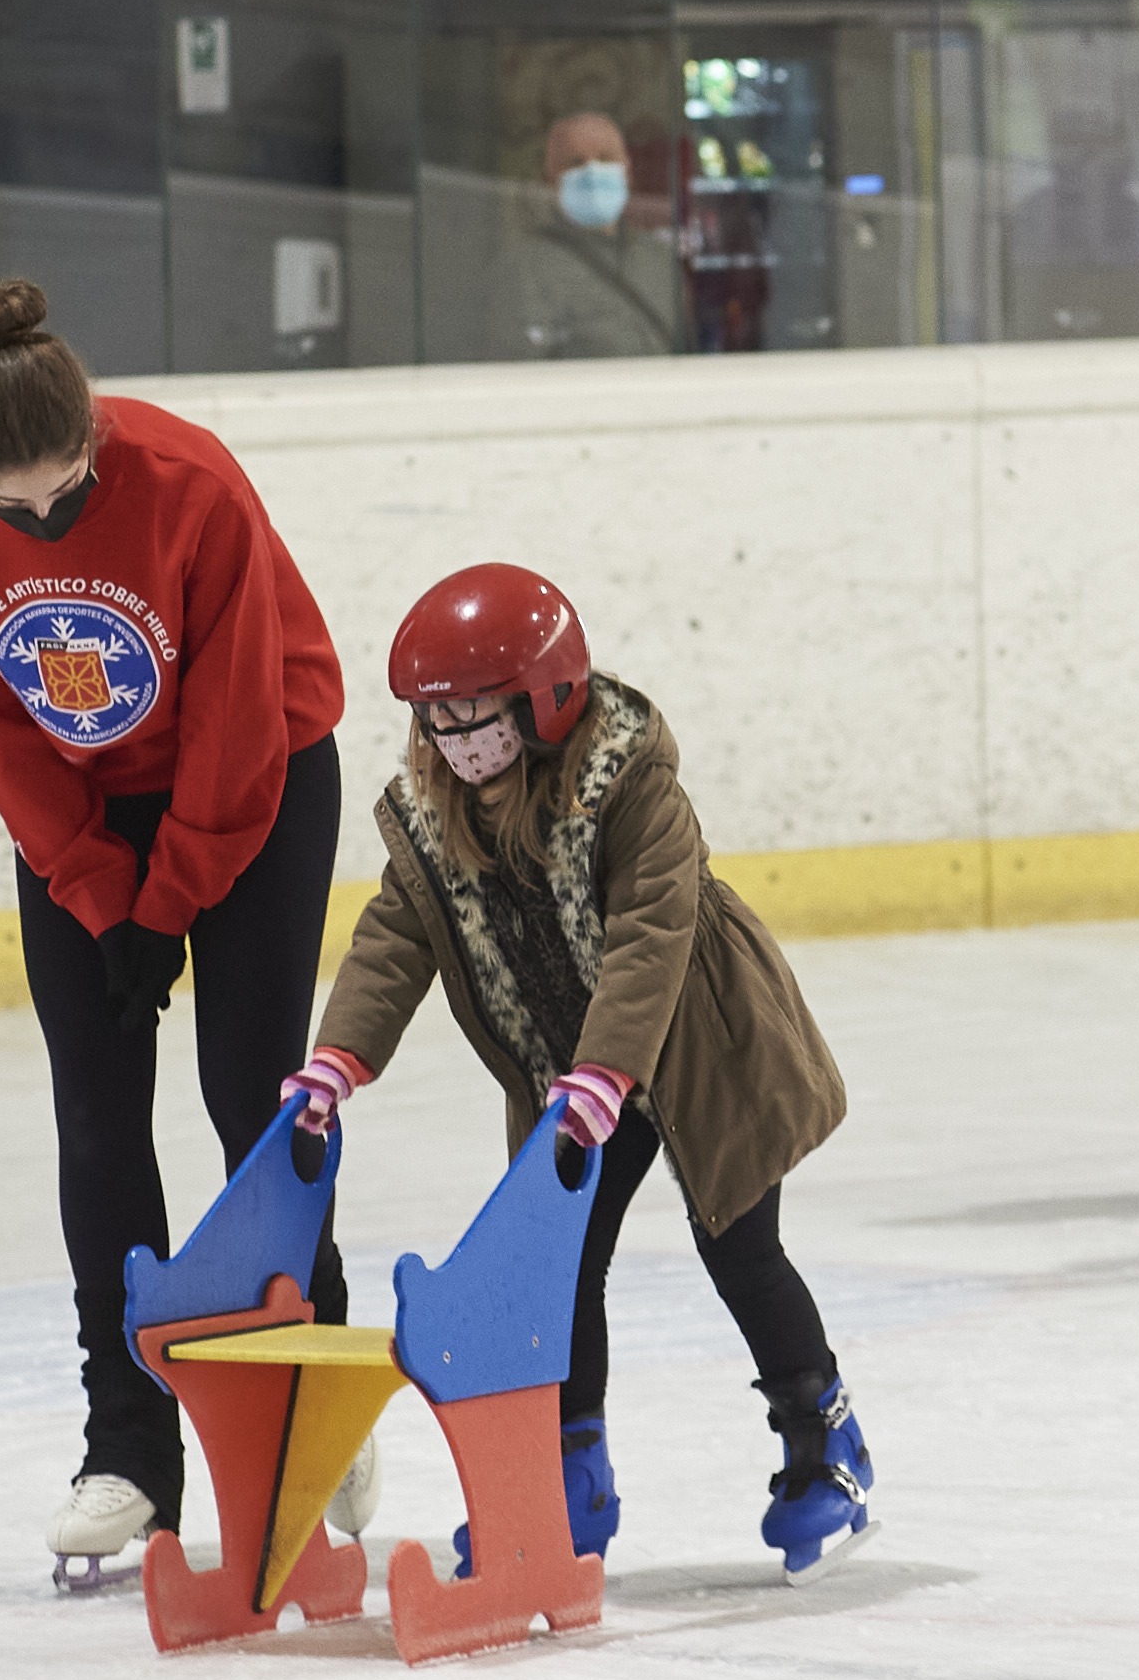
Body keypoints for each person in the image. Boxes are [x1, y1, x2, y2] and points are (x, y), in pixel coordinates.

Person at [0, 279, 358, 1590]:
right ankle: (130, 1449)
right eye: (14, 507)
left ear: (95, 438)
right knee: (97, 1112)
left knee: (248, 1089)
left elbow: (235, 720)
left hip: (256, 777)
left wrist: (168, 902)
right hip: (84, 807)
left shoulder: (192, 483)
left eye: (68, 493)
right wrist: (98, 888)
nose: (44, 520)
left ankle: (315, 1376)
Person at [288, 567, 869, 1576]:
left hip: (697, 1044)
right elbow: (395, 936)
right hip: (567, 1079)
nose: (456, 741)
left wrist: (605, 1072)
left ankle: (824, 1444)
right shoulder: (436, 810)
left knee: (738, 1246)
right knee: (560, 1271)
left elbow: (652, 935)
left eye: (476, 716)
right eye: (437, 721)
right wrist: (337, 1056)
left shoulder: (632, 785)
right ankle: (571, 1479)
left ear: (544, 700)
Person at [510, 111, 678, 360]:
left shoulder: (660, 258)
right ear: (550, 182)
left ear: (628, 172)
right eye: (576, 163)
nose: (592, 171)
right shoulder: (524, 268)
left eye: (606, 158)